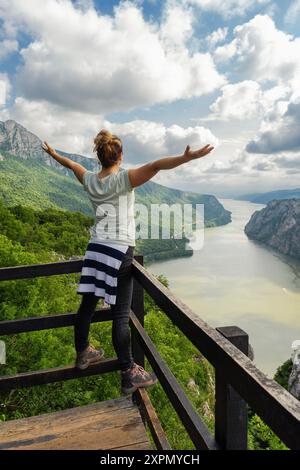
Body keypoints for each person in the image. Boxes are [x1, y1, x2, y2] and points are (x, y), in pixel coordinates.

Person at [42, 132, 214, 394]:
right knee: (121, 315)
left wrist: (54, 155)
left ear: (99, 157)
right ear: (120, 156)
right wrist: (186, 158)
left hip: (96, 248)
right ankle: (128, 371)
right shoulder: (124, 179)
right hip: (119, 250)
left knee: (87, 305)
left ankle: (82, 352)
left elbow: (71, 165)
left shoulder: (89, 179)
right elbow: (157, 165)